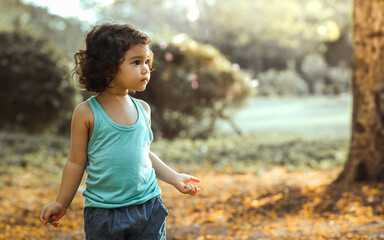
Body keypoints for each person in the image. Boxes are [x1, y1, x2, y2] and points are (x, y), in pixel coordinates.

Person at [40, 23, 201, 240]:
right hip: (104, 214)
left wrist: (174, 177)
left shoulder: (143, 109)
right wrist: (62, 202)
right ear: (107, 67)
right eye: (136, 62)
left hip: (148, 206)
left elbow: (143, 153)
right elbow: (76, 161)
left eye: (147, 62)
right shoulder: (87, 112)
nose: (145, 69)